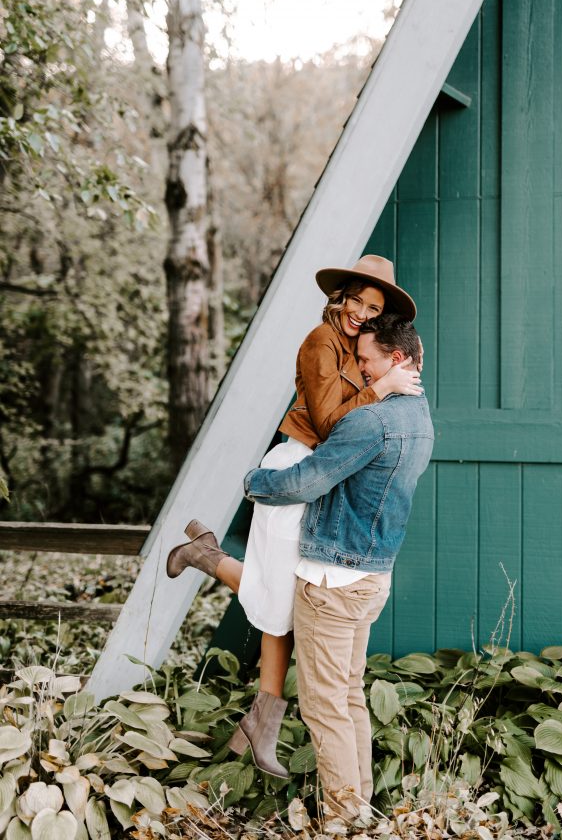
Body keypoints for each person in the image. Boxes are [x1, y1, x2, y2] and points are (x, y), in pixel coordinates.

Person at [165, 255, 421, 777]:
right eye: (357, 301)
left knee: (285, 596)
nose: (361, 313)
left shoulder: (360, 347)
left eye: (373, 308)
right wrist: (383, 390)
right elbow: (330, 422)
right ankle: (209, 559)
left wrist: (389, 379)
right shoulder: (319, 342)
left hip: (326, 471)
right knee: (283, 596)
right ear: (341, 297)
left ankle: (263, 721)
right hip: (302, 463)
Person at [244, 314, 434, 823]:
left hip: (331, 581)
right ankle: (359, 809)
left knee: (325, 708)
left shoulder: (372, 421)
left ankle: (344, 818)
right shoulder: (419, 417)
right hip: (372, 576)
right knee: (348, 698)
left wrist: (254, 480)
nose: (361, 369)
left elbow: (306, 482)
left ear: (397, 359)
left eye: (368, 360)